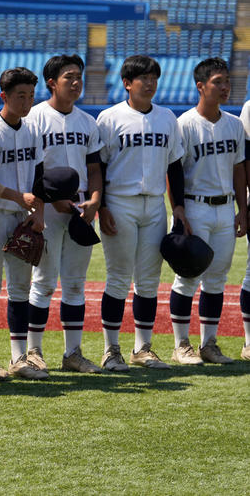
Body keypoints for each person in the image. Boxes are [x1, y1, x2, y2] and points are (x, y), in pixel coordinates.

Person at [95, 55, 186, 371]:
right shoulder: (109, 118)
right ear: (126, 83)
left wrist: (178, 207)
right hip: (120, 202)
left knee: (149, 281)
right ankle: (111, 350)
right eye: (142, 78)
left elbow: (175, 166)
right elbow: (99, 166)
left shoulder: (167, 118)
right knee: (118, 278)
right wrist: (102, 206)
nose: (149, 83)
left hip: (155, 206)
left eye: (153, 78)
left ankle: (143, 348)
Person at [26, 54, 104, 373]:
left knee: (74, 283)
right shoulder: (34, 118)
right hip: (47, 208)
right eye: (68, 77)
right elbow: (30, 168)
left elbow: (95, 167)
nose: (75, 82)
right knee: (43, 281)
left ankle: (73, 353)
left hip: (81, 209)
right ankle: (32, 352)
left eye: (78, 77)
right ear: (51, 82)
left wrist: (96, 199)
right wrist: (49, 201)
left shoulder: (87, 122)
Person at [170, 58, 245, 365]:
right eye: (217, 81)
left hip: (226, 208)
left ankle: (209, 344)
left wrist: (243, 209)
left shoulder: (234, 123)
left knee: (217, 280)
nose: (225, 87)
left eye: (227, 81)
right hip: (196, 206)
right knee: (187, 277)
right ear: (200, 86)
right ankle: (180, 344)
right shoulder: (184, 124)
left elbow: (239, 169)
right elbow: (173, 169)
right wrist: (179, 210)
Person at [0, 67, 48, 380]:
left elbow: (41, 173)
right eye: (21, 95)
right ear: (4, 96)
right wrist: (18, 196)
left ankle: (20, 358)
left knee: (20, 288)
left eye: (31, 95)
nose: (27, 101)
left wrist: (38, 212)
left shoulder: (32, 129)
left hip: (22, 217)